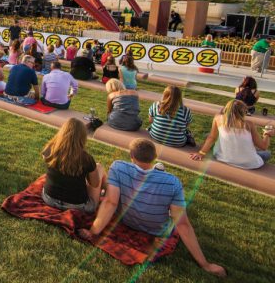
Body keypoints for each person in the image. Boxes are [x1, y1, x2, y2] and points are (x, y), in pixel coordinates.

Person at [79, 139, 226, 278]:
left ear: (131, 156)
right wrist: (205, 264)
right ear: (154, 157)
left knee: (112, 194)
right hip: (155, 229)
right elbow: (182, 224)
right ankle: (157, 171)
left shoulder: (118, 167)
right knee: (172, 207)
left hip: (125, 220)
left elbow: (110, 202)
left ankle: (156, 172)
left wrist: (92, 232)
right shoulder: (172, 182)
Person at [41, 118, 107, 214]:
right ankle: (108, 192)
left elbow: (47, 159)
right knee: (99, 167)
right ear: (82, 137)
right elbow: (95, 184)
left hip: (49, 199)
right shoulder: (86, 159)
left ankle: (108, 191)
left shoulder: (50, 149)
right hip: (77, 206)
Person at [190, 100, 272, 169]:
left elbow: (211, 138)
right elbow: (263, 146)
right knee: (267, 153)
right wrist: (267, 134)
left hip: (223, 158)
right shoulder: (248, 124)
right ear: (243, 112)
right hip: (249, 164)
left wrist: (201, 153)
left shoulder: (218, 118)